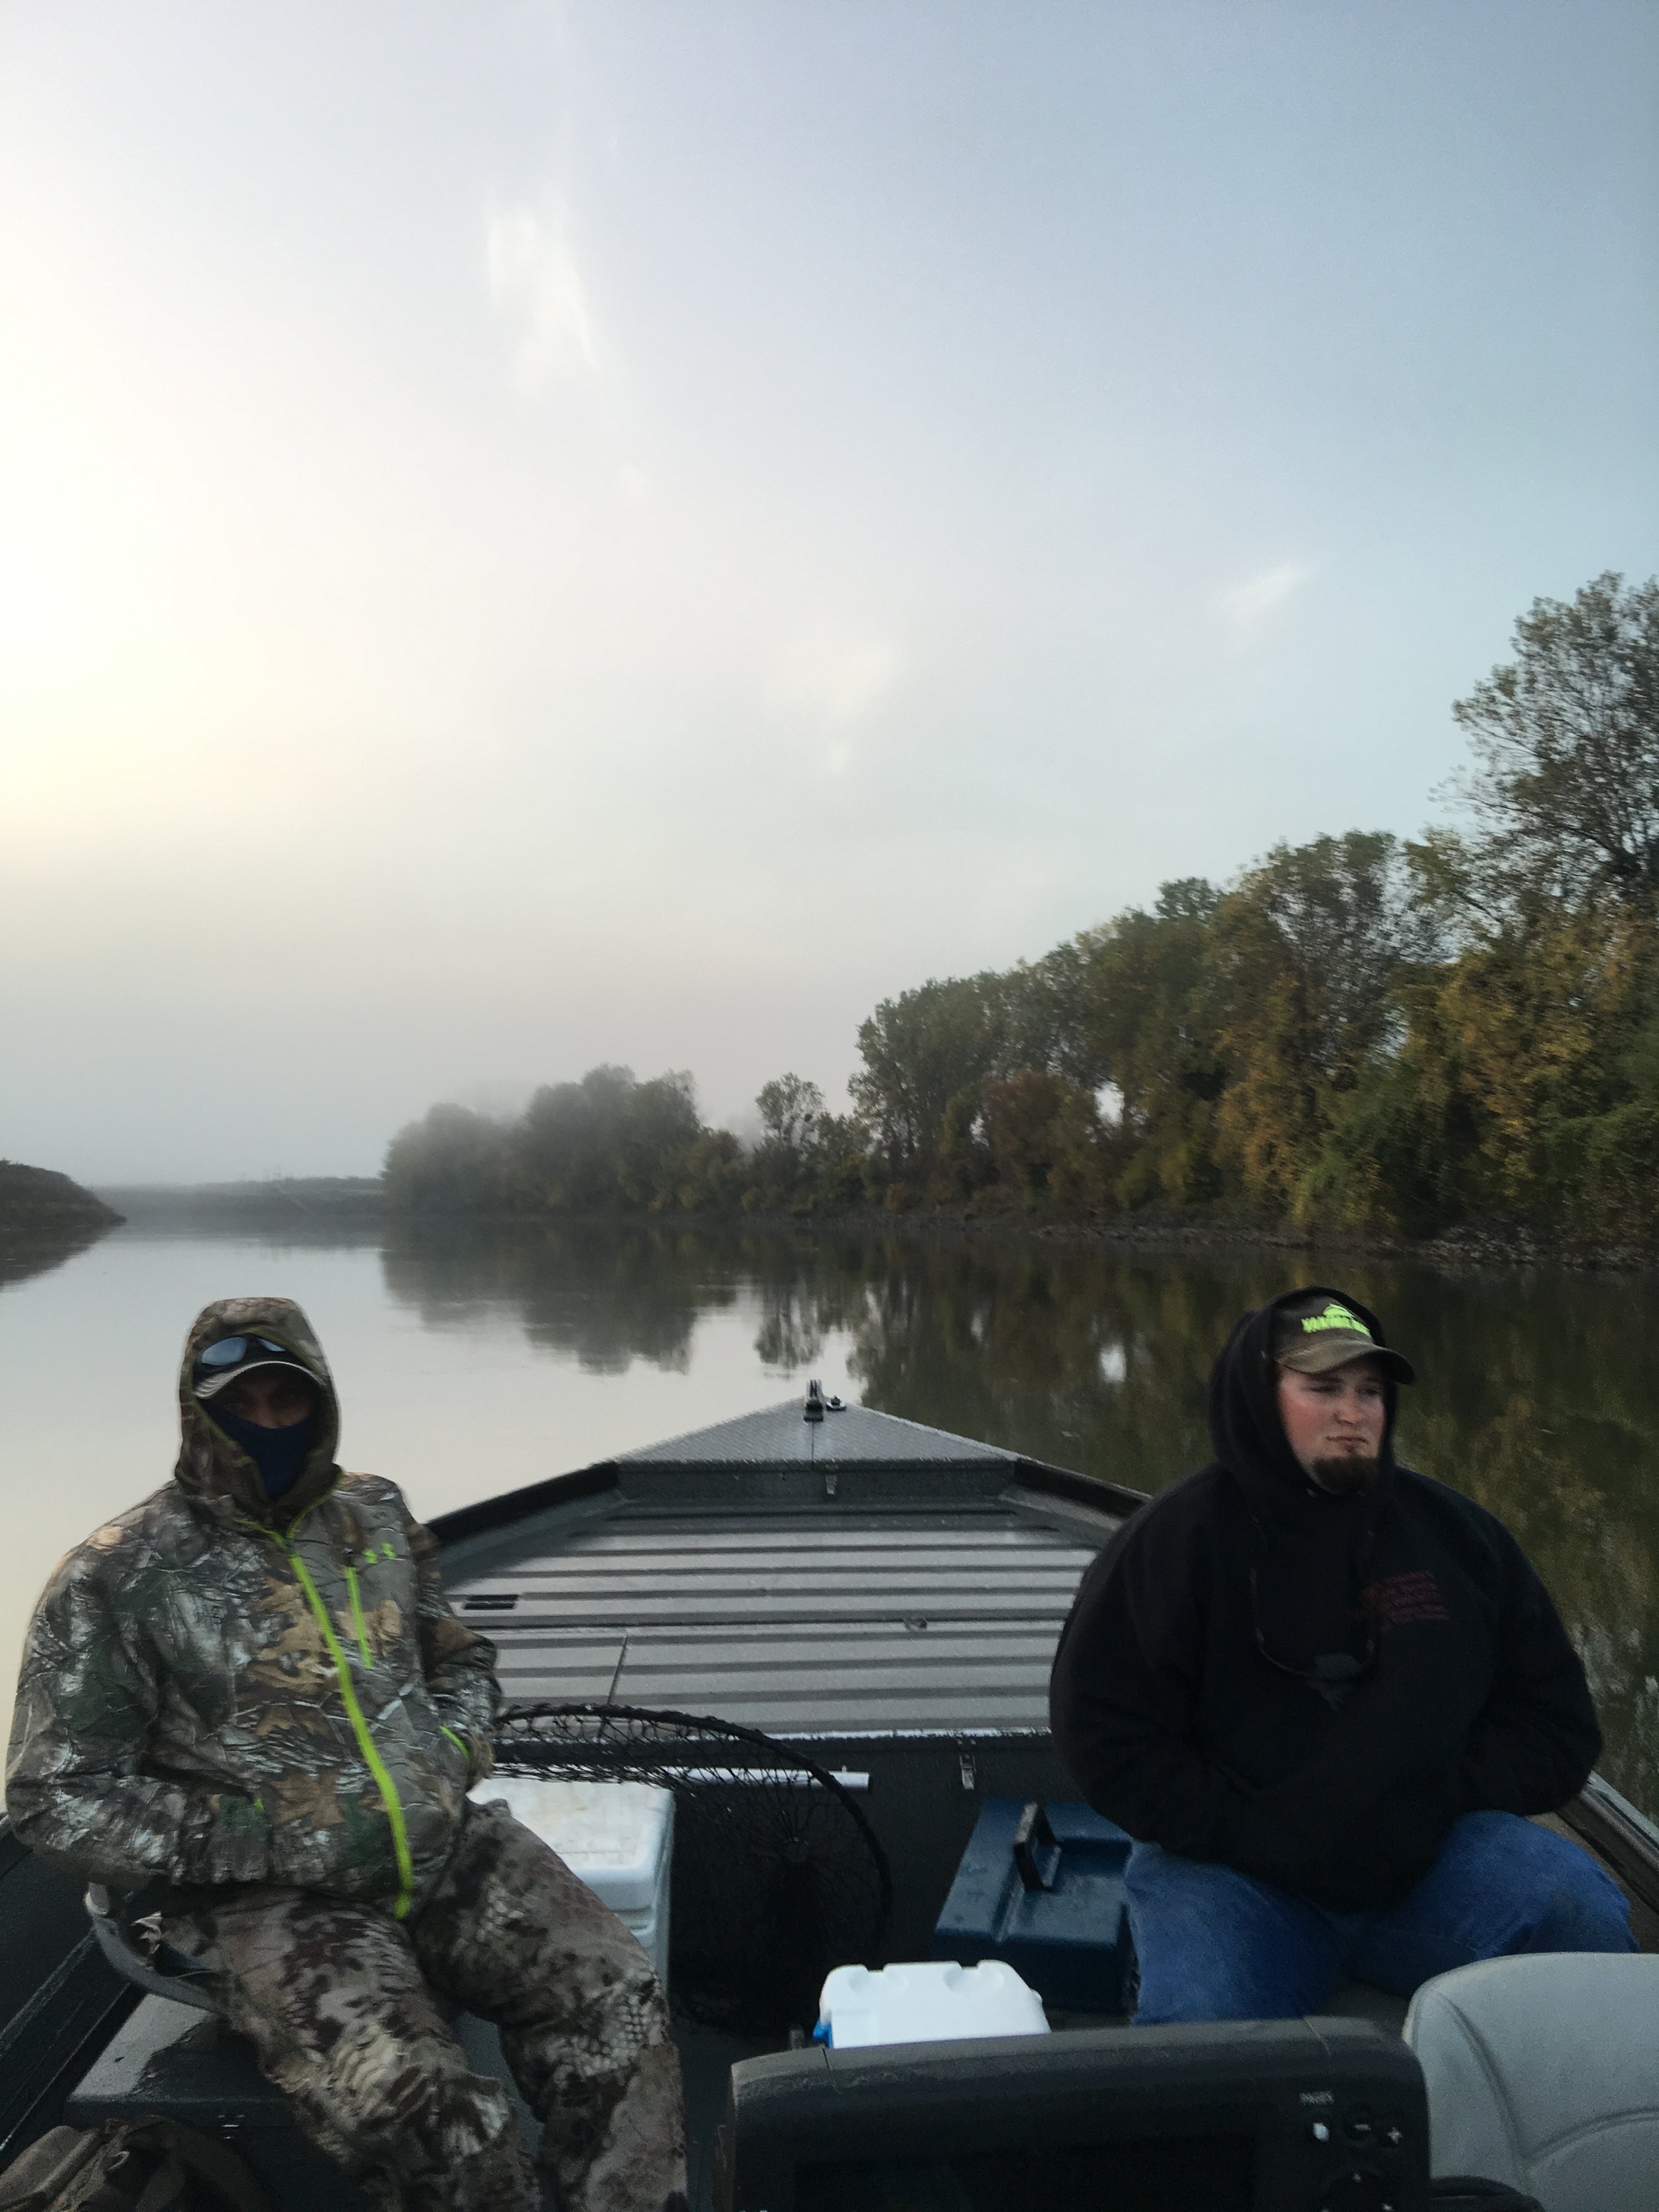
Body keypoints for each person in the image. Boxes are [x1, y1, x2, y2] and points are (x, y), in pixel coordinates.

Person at [6, 1295, 687, 2212]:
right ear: (197, 1409)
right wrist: (259, 1836)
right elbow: (54, 1795)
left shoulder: (375, 1514)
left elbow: (463, 1661)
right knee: (436, 2116)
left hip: (445, 1847)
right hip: (273, 1903)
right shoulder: (118, 1576)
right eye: (244, 1404)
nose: (270, 1423)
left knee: (619, 1998)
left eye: (289, 1401)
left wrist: (446, 1757)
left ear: (321, 1401)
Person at [1049, 1286, 1634, 2024]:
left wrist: (1439, 1796)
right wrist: (1248, 1830)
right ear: (1259, 1397)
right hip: (1230, 1871)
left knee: (1573, 1913)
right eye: (1322, 1388)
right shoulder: (1173, 1543)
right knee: (1201, 2026)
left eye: (1369, 1391)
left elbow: (1557, 1725)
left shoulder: (1460, 1540)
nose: (1353, 1413)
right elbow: (1102, 1736)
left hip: (1431, 1858)